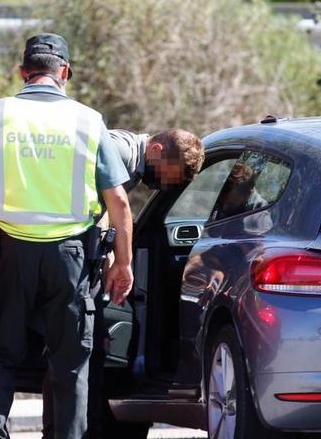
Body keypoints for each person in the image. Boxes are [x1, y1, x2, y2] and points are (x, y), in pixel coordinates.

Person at [0, 33, 135, 439]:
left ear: (22, 73)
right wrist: (123, 263)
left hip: (6, 254)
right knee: (70, 361)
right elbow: (119, 202)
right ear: (64, 73)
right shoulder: (88, 120)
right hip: (70, 258)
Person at [41, 128, 205, 439]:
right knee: (70, 349)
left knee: (80, 348)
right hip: (57, 257)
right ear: (156, 149)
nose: (170, 184)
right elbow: (100, 203)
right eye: (173, 175)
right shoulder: (120, 152)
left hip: (68, 257)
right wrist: (119, 261)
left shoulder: (129, 160)